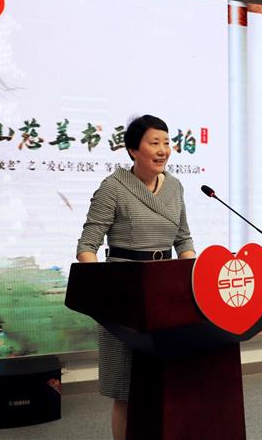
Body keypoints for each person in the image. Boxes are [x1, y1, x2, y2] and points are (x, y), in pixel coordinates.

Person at [76, 114, 196, 440]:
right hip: (124, 297)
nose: (163, 150)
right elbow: (87, 246)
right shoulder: (113, 187)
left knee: (165, 383)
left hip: (167, 295)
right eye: (154, 143)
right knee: (126, 389)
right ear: (132, 149)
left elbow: (183, 240)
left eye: (167, 143)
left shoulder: (175, 186)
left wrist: (194, 277)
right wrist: (104, 292)